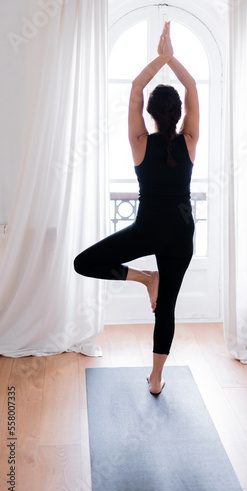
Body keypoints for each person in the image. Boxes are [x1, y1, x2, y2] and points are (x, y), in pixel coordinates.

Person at [74, 22, 199, 394]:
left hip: (146, 231)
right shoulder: (189, 142)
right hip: (181, 234)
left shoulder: (140, 140)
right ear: (179, 113)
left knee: (84, 263)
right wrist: (172, 60)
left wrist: (159, 59)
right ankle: (157, 379)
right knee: (167, 308)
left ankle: (145, 278)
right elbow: (192, 87)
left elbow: (134, 89)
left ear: (151, 113)